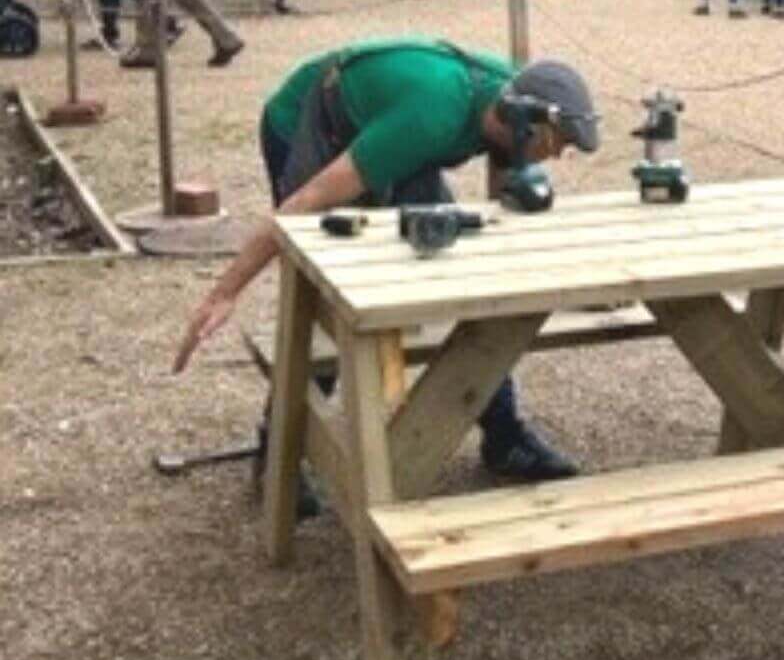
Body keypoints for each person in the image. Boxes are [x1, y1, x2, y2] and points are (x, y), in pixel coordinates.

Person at [173, 38, 603, 488]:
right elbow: (304, 203)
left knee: (467, 276)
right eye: (557, 143)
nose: (557, 156)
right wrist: (224, 293)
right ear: (525, 124)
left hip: (395, 125)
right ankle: (280, 453)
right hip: (313, 117)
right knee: (328, 293)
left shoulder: (506, 103)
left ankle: (504, 438)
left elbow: (501, 195)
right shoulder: (432, 117)